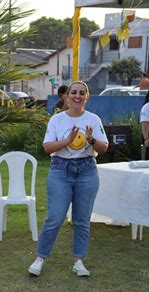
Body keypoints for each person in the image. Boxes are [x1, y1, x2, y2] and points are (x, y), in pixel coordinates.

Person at [28, 81, 108, 277]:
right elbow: (47, 148)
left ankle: (78, 261)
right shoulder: (57, 120)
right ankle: (40, 258)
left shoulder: (94, 119)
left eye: (82, 93)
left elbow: (103, 148)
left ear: (87, 97)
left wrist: (90, 140)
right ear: (67, 96)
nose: (77, 96)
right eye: (74, 92)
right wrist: (67, 141)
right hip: (60, 170)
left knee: (82, 220)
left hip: (87, 170)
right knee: (55, 217)